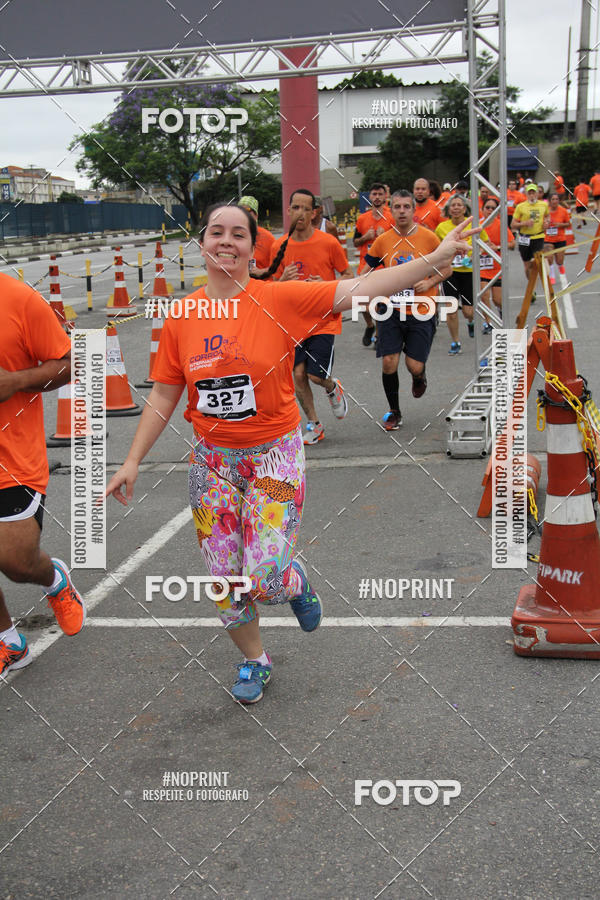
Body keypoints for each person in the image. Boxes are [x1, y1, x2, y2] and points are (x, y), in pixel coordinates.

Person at [105, 202, 475, 704]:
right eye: (217, 232)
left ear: (252, 246)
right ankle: (254, 661)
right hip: (213, 463)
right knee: (224, 578)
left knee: (266, 576)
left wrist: (438, 257)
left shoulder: (279, 299)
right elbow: (167, 393)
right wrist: (132, 461)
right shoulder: (184, 314)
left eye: (239, 234)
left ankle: (294, 582)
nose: (227, 242)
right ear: (202, 244)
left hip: (273, 457)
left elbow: (363, 288)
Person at [0, 275, 86, 675]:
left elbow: (70, 363)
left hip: (11, 458)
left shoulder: (17, 298)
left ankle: (53, 578)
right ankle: (9, 642)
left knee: (16, 563)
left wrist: (16, 381)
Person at [268, 188, 354, 445]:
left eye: (306, 208)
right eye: (296, 207)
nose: (301, 213)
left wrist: (326, 284)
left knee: (315, 376)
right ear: (289, 210)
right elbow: (269, 287)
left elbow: (349, 277)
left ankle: (331, 387)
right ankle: (314, 425)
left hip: (323, 320)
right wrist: (282, 280)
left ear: (314, 213)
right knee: (297, 375)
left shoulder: (327, 243)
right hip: (292, 323)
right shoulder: (278, 246)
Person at [363, 190, 451, 430]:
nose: (402, 211)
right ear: (391, 210)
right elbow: (366, 270)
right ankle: (394, 411)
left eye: (406, 207)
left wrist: (430, 282)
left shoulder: (429, 238)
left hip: (422, 309)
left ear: (413, 210)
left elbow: (448, 269)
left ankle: (419, 377)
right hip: (390, 309)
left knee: (414, 365)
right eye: (397, 207)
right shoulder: (383, 241)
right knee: (389, 361)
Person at [435, 194, 488, 353]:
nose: (456, 208)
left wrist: (473, 255)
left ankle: (470, 322)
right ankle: (456, 342)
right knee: (450, 310)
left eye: (459, 205)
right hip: (449, 273)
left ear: (465, 208)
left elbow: (484, 243)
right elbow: (436, 248)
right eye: (453, 205)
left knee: (468, 311)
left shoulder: (473, 225)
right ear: (449, 209)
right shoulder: (442, 228)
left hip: (468, 272)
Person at [353, 183, 394, 346]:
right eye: (374, 194)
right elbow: (355, 242)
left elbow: (400, 240)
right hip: (365, 265)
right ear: (369, 197)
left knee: (379, 303)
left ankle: (378, 335)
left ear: (385, 197)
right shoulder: (362, 218)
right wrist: (365, 237)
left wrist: (387, 236)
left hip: (383, 266)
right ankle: (370, 326)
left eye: (380, 194)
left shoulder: (391, 217)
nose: (377, 197)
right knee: (362, 301)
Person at [479, 196, 515, 332]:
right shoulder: (477, 225)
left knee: (497, 300)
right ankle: (488, 323)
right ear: (482, 209)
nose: (489, 210)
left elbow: (512, 244)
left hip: (497, 268)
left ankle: (500, 313)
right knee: (484, 295)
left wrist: (497, 248)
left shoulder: (500, 225)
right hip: (481, 267)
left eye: (493, 208)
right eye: (487, 208)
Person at [511, 184, 549, 287]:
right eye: (530, 193)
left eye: (534, 193)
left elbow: (547, 217)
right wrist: (524, 223)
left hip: (538, 237)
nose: (532, 195)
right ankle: (531, 285)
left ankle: (535, 283)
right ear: (526, 194)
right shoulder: (520, 206)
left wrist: (546, 223)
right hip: (524, 238)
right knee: (527, 266)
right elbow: (513, 225)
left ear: (537, 194)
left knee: (536, 261)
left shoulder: (543, 205)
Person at [238, 195, 274, 277]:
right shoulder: (233, 237)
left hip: (263, 285)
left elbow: (279, 266)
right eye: (240, 211)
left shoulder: (268, 238)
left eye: (247, 211)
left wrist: (261, 271)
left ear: (256, 215)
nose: (244, 215)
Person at [544, 192, 571, 284]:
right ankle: (552, 275)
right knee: (549, 257)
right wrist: (545, 225)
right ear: (549, 201)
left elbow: (568, 224)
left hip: (560, 238)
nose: (555, 201)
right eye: (553, 199)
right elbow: (540, 224)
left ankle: (560, 265)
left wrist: (560, 224)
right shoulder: (545, 211)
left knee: (559, 260)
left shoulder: (563, 211)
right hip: (548, 239)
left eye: (556, 199)